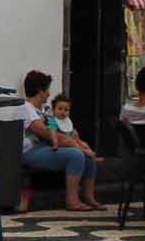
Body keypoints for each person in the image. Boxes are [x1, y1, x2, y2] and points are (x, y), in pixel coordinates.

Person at [20, 69, 102, 211]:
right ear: (40, 91)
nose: (49, 94)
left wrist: (77, 141)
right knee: (75, 155)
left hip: (46, 148)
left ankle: (88, 196)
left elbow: (63, 128)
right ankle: (72, 200)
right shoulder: (26, 109)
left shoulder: (46, 110)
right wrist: (75, 145)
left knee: (87, 157)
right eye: (47, 90)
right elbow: (46, 133)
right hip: (31, 151)